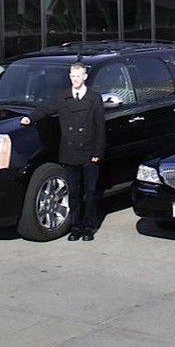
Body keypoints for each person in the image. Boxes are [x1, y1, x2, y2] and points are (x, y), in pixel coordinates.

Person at [20, 62, 105, 241]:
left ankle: (88, 228)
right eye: (72, 76)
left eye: (78, 76)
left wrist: (98, 152)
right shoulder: (63, 97)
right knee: (73, 193)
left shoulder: (94, 98)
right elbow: (46, 109)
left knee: (90, 192)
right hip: (70, 152)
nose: (75, 79)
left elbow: (100, 127)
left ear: (85, 77)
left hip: (88, 151)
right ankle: (76, 228)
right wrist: (30, 118)